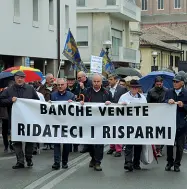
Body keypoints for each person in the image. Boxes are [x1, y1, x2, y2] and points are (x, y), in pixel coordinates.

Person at [0, 71, 39, 169]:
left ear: (24, 78)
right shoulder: (9, 90)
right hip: (14, 121)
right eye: (18, 77)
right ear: (14, 79)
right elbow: (1, 100)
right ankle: (20, 161)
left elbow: (37, 102)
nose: (20, 79)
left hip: (28, 120)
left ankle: (29, 158)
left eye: (22, 77)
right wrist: (10, 100)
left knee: (29, 141)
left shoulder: (30, 89)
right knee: (16, 142)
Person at [80, 73, 112, 171]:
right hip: (89, 122)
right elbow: (80, 102)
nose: (96, 83)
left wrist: (109, 104)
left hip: (101, 122)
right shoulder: (87, 91)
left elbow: (114, 106)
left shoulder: (107, 93)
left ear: (101, 82)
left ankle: (98, 162)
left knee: (99, 143)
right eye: (94, 81)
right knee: (89, 143)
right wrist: (81, 103)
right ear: (92, 81)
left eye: (98, 81)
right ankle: (93, 157)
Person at [118, 80, 147, 171]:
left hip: (139, 124)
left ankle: (136, 162)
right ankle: (128, 162)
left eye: (136, 87)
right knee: (129, 144)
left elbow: (146, 111)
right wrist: (121, 106)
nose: (134, 89)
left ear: (138, 88)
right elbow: (117, 109)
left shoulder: (142, 98)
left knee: (138, 145)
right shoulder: (123, 97)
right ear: (130, 88)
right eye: (132, 87)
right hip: (128, 123)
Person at [164, 75, 187, 172]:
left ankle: (177, 164)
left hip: (182, 123)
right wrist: (167, 101)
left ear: (182, 83)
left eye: (177, 81)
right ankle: (169, 162)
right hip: (170, 122)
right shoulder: (169, 91)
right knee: (169, 144)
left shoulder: (186, 93)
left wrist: (184, 105)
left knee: (180, 146)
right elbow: (162, 103)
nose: (175, 83)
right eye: (174, 81)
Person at [51, 78, 75, 170]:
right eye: (58, 85)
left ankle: (64, 162)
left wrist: (72, 104)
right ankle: (56, 162)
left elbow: (75, 110)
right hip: (56, 123)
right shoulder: (53, 95)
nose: (60, 86)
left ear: (66, 85)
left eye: (62, 85)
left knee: (67, 144)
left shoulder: (71, 95)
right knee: (56, 143)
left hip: (67, 124)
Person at [107, 74, 127, 157]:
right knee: (110, 130)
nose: (109, 81)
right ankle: (112, 147)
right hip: (109, 112)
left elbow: (126, 98)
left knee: (118, 130)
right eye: (109, 79)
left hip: (119, 113)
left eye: (111, 79)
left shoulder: (122, 89)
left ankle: (119, 149)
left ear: (116, 80)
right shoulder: (107, 89)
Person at [147, 76, 167, 157]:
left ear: (162, 83)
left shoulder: (166, 91)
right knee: (155, 131)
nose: (159, 85)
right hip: (154, 114)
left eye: (160, 84)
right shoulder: (150, 92)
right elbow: (148, 104)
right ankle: (156, 148)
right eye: (157, 84)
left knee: (162, 132)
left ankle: (159, 148)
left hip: (163, 114)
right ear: (155, 83)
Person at [38, 73, 57, 150]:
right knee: (46, 127)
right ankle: (46, 143)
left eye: (53, 78)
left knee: (53, 126)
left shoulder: (56, 87)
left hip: (54, 110)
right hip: (45, 110)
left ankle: (52, 143)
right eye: (50, 79)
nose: (52, 80)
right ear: (46, 80)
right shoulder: (41, 88)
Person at [77, 71, 92, 153]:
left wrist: (83, 88)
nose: (78, 79)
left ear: (84, 77)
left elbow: (89, 94)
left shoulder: (90, 83)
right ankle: (84, 144)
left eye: (79, 78)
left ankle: (87, 146)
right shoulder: (78, 83)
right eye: (77, 78)